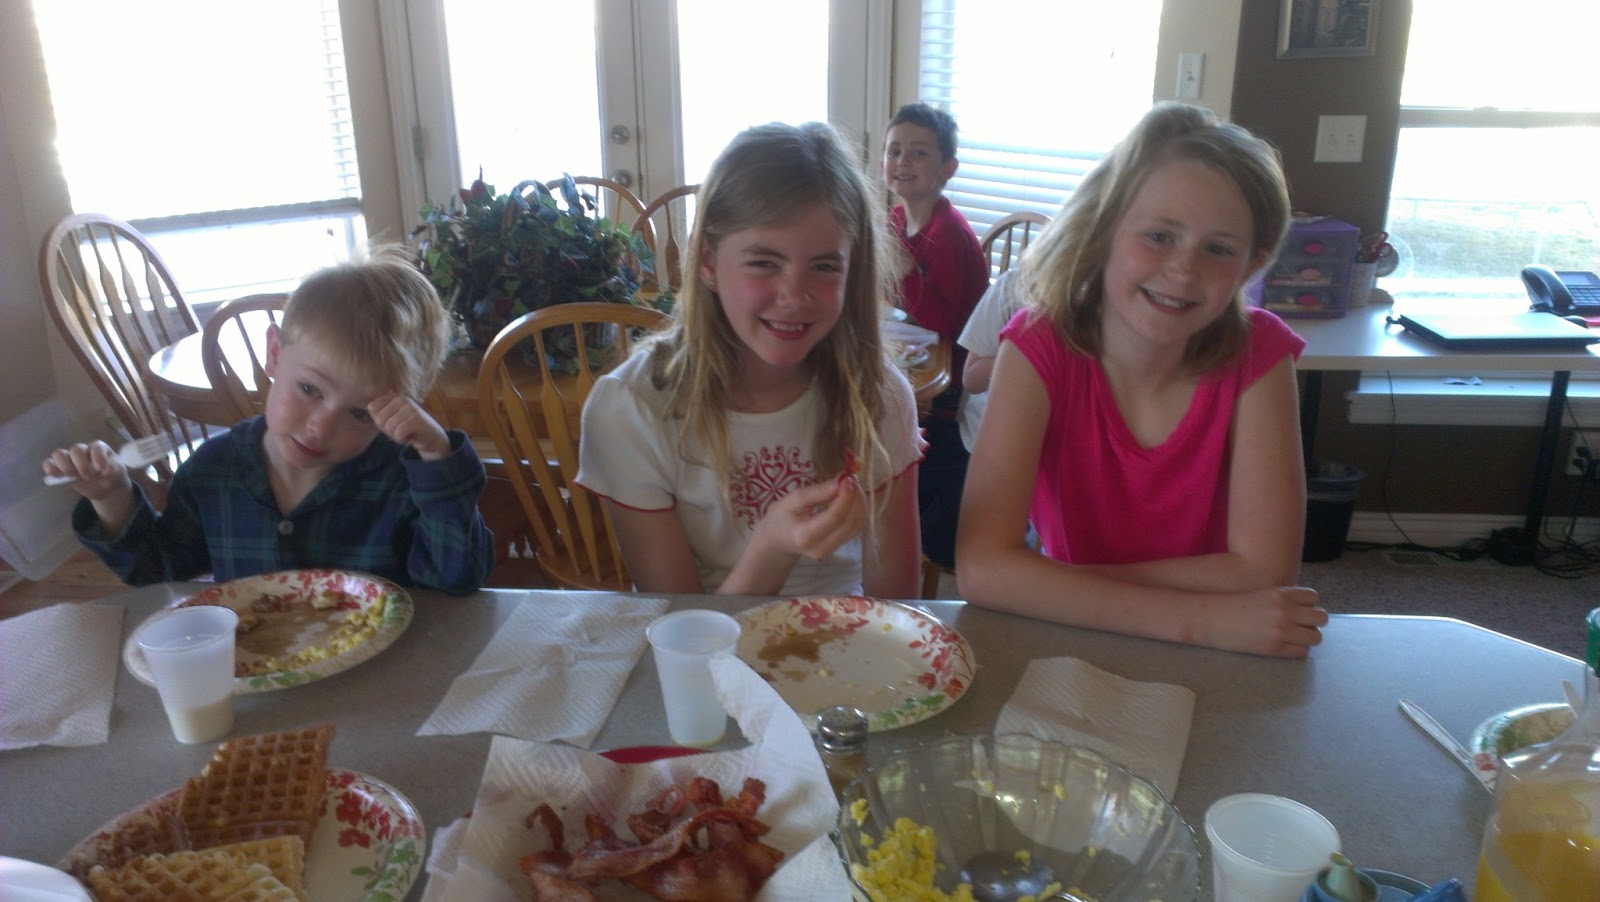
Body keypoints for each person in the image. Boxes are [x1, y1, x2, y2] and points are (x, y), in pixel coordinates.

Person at [956, 102, 1328, 658]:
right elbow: (982, 569)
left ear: (1251, 265)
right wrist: (1200, 618)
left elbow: (1266, 571)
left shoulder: (1260, 355)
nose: (1183, 269)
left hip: (1199, 649)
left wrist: (1046, 584)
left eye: (1219, 249)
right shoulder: (1037, 348)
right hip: (1111, 641)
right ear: (1104, 231)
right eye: (1158, 236)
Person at [577, 121, 923, 598]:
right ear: (707, 262)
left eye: (824, 266)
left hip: (849, 636)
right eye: (764, 263)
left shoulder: (879, 394)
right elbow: (681, 628)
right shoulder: (632, 408)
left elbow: (895, 605)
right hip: (708, 636)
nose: (794, 297)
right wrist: (774, 548)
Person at [44, 245, 495, 595]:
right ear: (275, 353)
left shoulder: (403, 481)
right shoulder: (213, 471)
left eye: (360, 413)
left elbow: (456, 581)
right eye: (310, 390)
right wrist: (112, 497)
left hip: (384, 670)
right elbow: (157, 570)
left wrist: (437, 458)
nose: (321, 426)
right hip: (255, 670)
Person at [882, 102, 989, 572]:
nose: (902, 161)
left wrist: (903, 269)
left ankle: (920, 528)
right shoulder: (897, 219)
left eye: (919, 152)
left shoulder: (949, 235)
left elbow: (942, 323)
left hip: (951, 382)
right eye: (894, 151)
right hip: (915, 350)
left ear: (948, 168)